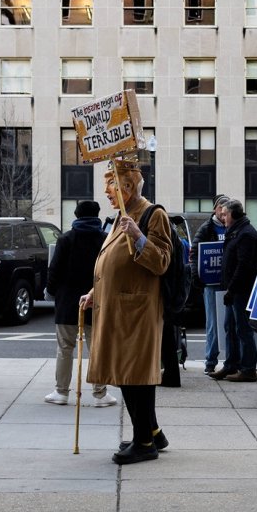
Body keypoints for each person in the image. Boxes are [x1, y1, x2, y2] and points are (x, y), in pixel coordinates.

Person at [80, 157, 174, 465]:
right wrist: (96, 291)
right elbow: (114, 263)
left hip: (137, 310)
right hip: (119, 308)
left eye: (111, 187)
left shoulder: (151, 214)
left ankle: (144, 441)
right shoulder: (123, 214)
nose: (107, 194)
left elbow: (161, 261)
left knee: (134, 375)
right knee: (127, 373)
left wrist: (137, 235)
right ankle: (152, 432)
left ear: (128, 187)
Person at [44, 200, 116, 407]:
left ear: (76, 215)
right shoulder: (105, 239)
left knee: (65, 348)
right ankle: (100, 394)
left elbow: (54, 270)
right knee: (97, 349)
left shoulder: (66, 239)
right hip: (97, 301)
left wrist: (50, 291)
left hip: (67, 301)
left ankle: (62, 392)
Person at [210, 199, 257, 383]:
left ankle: (248, 369)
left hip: (241, 291)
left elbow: (244, 266)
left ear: (233, 214)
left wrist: (232, 290)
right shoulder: (235, 231)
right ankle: (231, 364)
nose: (223, 218)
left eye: (225, 214)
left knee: (243, 330)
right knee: (230, 328)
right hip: (232, 290)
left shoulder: (246, 234)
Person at [190, 194, 230, 374]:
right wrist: (197, 276)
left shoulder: (232, 227)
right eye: (221, 207)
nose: (223, 212)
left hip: (229, 281)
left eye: (226, 208)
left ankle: (231, 361)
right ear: (215, 209)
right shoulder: (206, 228)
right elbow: (194, 253)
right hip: (211, 282)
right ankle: (210, 360)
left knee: (230, 323)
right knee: (213, 323)